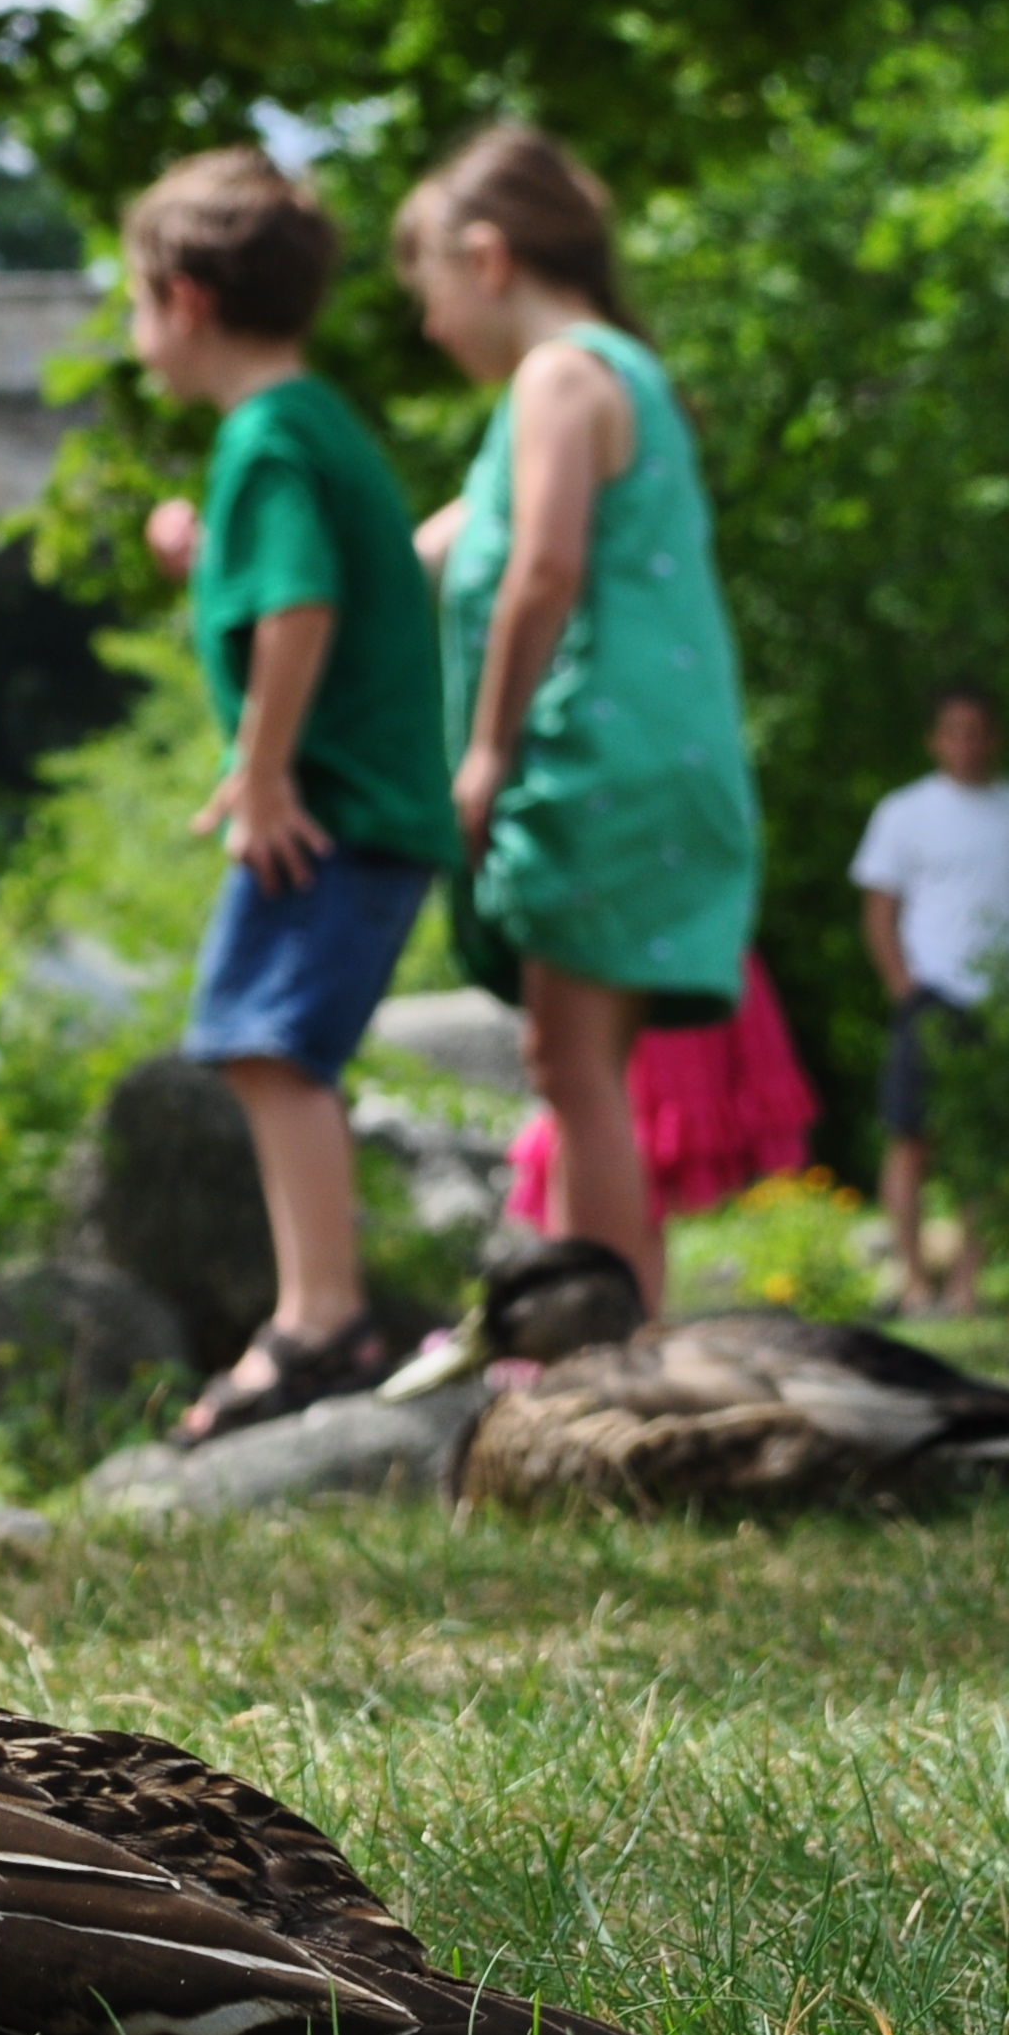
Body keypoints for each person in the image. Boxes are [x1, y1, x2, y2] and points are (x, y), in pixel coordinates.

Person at [398, 124, 758, 1317]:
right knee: (585, 1069)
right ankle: (621, 1337)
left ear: (488, 257)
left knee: (572, 1069)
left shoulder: (558, 375)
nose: (428, 324)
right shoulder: (596, 380)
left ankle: (597, 1359)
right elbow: (434, 549)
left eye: (429, 287)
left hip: (595, 768)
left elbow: (540, 571)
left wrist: (486, 748)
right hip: (655, 769)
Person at [130, 150, 460, 1440]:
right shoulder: (306, 424)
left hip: (324, 806)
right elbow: (288, 574)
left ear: (187, 298)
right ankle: (317, 1311)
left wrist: (259, 769)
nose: (134, 329)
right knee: (267, 1044)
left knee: (269, 1044)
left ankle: (320, 1322)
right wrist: (202, 552)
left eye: (134, 300)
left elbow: (302, 602)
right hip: (358, 802)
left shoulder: (265, 436)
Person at [853, 684, 1009, 1313]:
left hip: (997, 1000)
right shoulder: (905, 811)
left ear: (993, 737)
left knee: (986, 1146)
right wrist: (903, 986)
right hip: (932, 994)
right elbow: (879, 910)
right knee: (910, 1138)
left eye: (978, 730)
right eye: (955, 730)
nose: (967, 743)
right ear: (935, 739)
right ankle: (916, 1284)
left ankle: (967, 1286)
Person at [504, 951, 814, 1228]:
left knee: (596, 1110)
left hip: (645, 941)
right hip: (660, 940)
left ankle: (593, 1282)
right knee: (595, 1115)